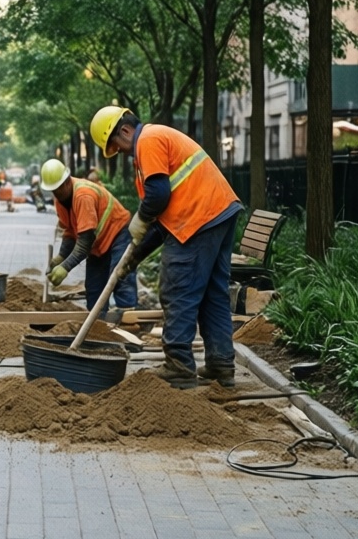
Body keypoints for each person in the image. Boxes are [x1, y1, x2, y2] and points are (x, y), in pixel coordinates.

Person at [90, 106, 243, 389]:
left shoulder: (147, 140)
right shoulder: (159, 139)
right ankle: (222, 365)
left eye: (116, 147)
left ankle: (179, 368)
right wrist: (132, 258)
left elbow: (158, 197)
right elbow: (161, 223)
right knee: (212, 294)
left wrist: (140, 218)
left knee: (177, 289)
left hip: (198, 219)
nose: (120, 153)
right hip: (218, 212)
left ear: (124, 131)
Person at [41, 157, 137, 316]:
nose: (56, 193)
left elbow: (84, 242)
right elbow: (70, 232)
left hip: (117, 233)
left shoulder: (83, 195)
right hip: (98, 243)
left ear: (66, 181)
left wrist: (65, 267)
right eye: (53, 190)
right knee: (94, 288)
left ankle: (130, 322)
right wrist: (60, 257)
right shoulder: (60, 201)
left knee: (120, 277)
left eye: (58, 188)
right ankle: (98, 327)